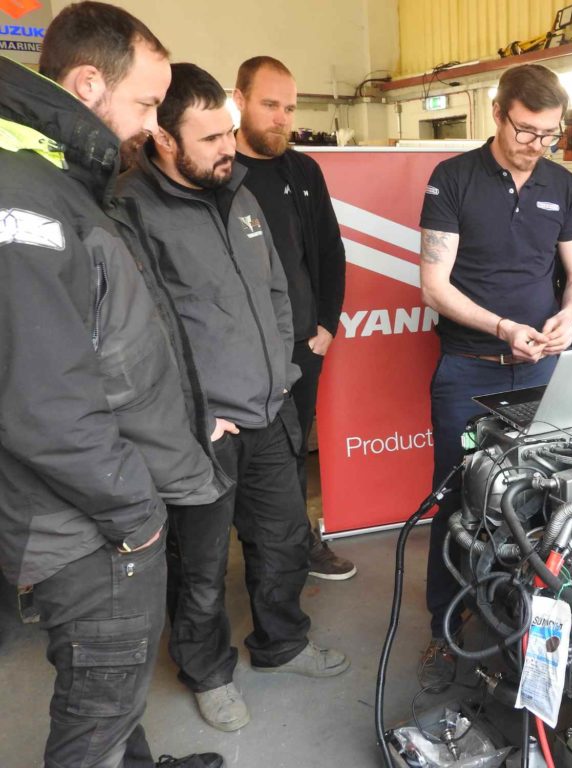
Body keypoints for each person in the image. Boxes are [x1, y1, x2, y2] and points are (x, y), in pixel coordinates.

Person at [0, 3, 226, 767]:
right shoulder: (22, 196)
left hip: (101, 506)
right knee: (95, 712)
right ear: (88, 83)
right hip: (86, 527)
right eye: (145, 103)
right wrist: (134, 512)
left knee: (117, 690)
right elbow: (42, 402)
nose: (153, 124)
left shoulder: (61, 179)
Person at [118, 62, 350, 734]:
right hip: (201, 430)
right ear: (166, 140)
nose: (228, 147)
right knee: (200, 563)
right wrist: (195, 411)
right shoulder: (133, 211)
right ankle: (206, 671)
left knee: (280, 539)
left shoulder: (241, 194)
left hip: (268, 408)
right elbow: (140, 334)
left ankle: (282, 642)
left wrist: (279, 371)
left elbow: (279, 290)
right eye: (211, 137)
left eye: (228, 132)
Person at [417, 63, 572, 689]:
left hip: (542, 373)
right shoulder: (453, 179)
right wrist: (501, 329)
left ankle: (526, 633)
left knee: (545, 506)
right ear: (498, 112)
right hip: (469, 369)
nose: (536, 144)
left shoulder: (561, 185)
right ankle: (445, 629)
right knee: (457, 501)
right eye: (525, 130)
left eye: (549, 134)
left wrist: (568, 319)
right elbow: (433, 285)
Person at [232, 56, 355, 581]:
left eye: (289, 107)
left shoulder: (303, 171)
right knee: (235, 462)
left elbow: (329, 251)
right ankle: (242, 556)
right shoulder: (215, 171)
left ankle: (298, 545)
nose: (282, 118)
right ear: (238, 99)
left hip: (301, 348)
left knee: (290, 456)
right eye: (269, 105)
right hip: (236, 356)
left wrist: (327, 325)